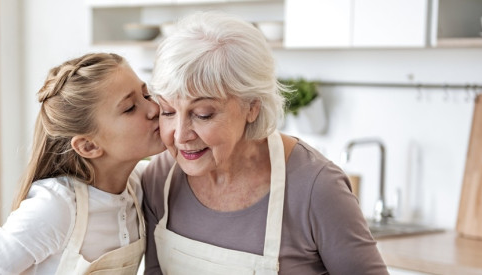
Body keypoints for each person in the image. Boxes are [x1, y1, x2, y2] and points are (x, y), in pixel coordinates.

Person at [141, 12, 388, 274]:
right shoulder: (160, 178)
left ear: (252, 108)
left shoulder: (317, 188)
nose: (180, 136)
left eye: (203, 114)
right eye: (168, 111)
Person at [0, 53, 165, 274]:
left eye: (146, 95)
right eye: (130, 108)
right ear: (88, 146)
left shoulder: (140, 185)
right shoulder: (55, 207)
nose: (154, 109)